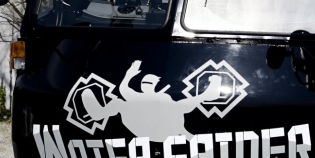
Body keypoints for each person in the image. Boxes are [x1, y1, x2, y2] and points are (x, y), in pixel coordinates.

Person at [81, 60, 222, 141]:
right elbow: (124, 90)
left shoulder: (163, 97)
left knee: (176, 107)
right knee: (118, 102)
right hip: (141, 127)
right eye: (144, 82)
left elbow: (181, 109)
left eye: (149, 83)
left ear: (155, 85)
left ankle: (207, 95)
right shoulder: (138, 96)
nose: (146, 85)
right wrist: (129, 75)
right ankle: (98, 113)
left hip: (167, 131)